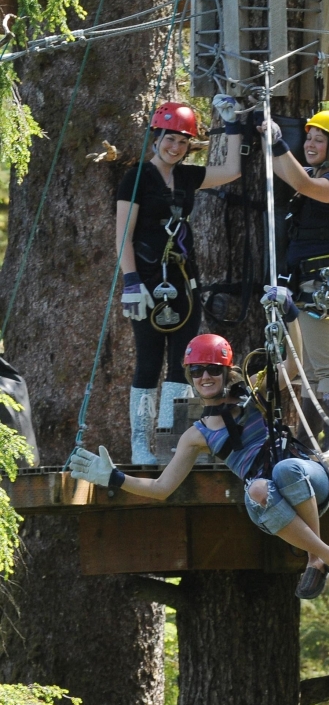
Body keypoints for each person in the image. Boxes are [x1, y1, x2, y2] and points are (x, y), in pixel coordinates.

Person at [70, 300, 329, 600]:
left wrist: (290, 315)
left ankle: (317, 559)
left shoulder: (254, 393)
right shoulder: (196, 435)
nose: (204, 376)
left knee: (285, 469)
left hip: (306, 479)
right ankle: (328, 557)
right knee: (259, 488)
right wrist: (115, 478)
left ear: (225, 371)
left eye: (211, 369)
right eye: (196, 371)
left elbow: (292, 364)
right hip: (267, 499)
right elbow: (161, 488)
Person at [117, 96, 242, 464]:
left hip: (184, 282)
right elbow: (123, 234)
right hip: (147, 281)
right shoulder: (136, 177)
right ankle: (140, 444)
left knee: (181, 365)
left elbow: (232, 168)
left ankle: (168, 440)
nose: (175, 147)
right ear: (156, 137)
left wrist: (231, 124)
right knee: (148, 362)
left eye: (183, 141)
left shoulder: (187, 177)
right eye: (169, 138)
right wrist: (130, 281)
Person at [257, 110, 329, 462]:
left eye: (319, 140)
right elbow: (287, 171)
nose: (311, 145)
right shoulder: (315, 174)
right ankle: (308, 441)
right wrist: (267, 138)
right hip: (305, 281)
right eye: (309, 138)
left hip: (321, 281)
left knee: (327, 365)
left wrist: (281, 141)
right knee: (310, 369)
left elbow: (300, 183)